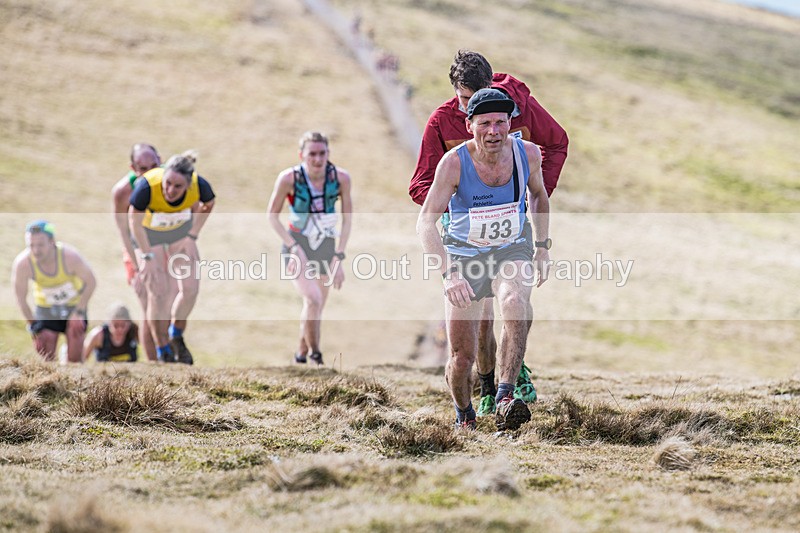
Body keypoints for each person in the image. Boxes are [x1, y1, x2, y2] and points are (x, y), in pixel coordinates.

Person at [410, 49, 568, 417]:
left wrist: (528, 196)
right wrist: (460, 204)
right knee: (474, 333)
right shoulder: (442, 127)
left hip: (511, 238)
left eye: (499, 120)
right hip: (464, 239)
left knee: (514, 301)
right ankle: (477, 394)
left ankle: (506, 390)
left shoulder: (518, 107)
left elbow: (556, 145)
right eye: (468, 105)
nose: (491, 127)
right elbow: (422, 193)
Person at [267, 131, 352, 365]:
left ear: (328, 154)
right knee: (313, 299)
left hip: (326, 245)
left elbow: (347, 220)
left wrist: (339, 256)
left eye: (322, 153)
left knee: (316, 307)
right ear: (301, 155)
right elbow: (272, 216)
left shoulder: (341, 178)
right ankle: (316, 356)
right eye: (312, 154)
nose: (317, 159)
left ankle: (300, 356)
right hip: (297, 244)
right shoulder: (289, 179)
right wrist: (293, 247)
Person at [128, 151, 216, 364]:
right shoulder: (147, 187)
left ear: (188, 184)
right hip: (149, 237)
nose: (170, 191)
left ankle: (176, 334)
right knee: (157, 292)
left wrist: (192, 236)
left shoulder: (199, 185)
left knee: (191, 289)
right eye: (167, 184)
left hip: (180, 234)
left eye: (178, 187)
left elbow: (209, 203)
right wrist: (146, 256)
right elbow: (133, 220)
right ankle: (162, 348)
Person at [112, 142, 176, 361]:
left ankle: (168, 355)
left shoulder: (171, 181)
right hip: (136, 250)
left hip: (165, 248)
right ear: (133, 168)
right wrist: (137, 266)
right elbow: (123, 232)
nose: (150, 172)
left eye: (154, 165)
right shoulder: (123, 192)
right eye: (142, 168)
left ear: (161, 160)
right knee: (149, 304)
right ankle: (155, 361)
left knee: (168, 305)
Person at [11, 221, 97, 363]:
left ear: (52, 242)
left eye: (40, 245)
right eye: (31, 245)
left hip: (73, 306)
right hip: (46, 308)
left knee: (74, 356)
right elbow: (20, 299)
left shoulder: (70, 257)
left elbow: (91, 282)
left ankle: (71, 361)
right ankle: (53, 380)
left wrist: (79, 312)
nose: (36, 250)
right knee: (45, 351)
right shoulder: (23, 263)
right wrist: (34, 326)